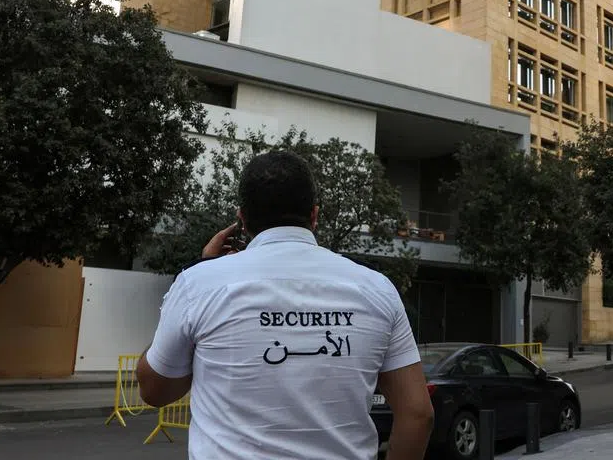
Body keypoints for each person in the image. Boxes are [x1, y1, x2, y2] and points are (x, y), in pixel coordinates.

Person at [137, 150, 433, 459]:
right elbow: (417, 414)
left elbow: (155, 391)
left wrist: (196, 274)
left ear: (242, 219)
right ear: (315, 216)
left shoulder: (199, 284)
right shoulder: (377, 288)